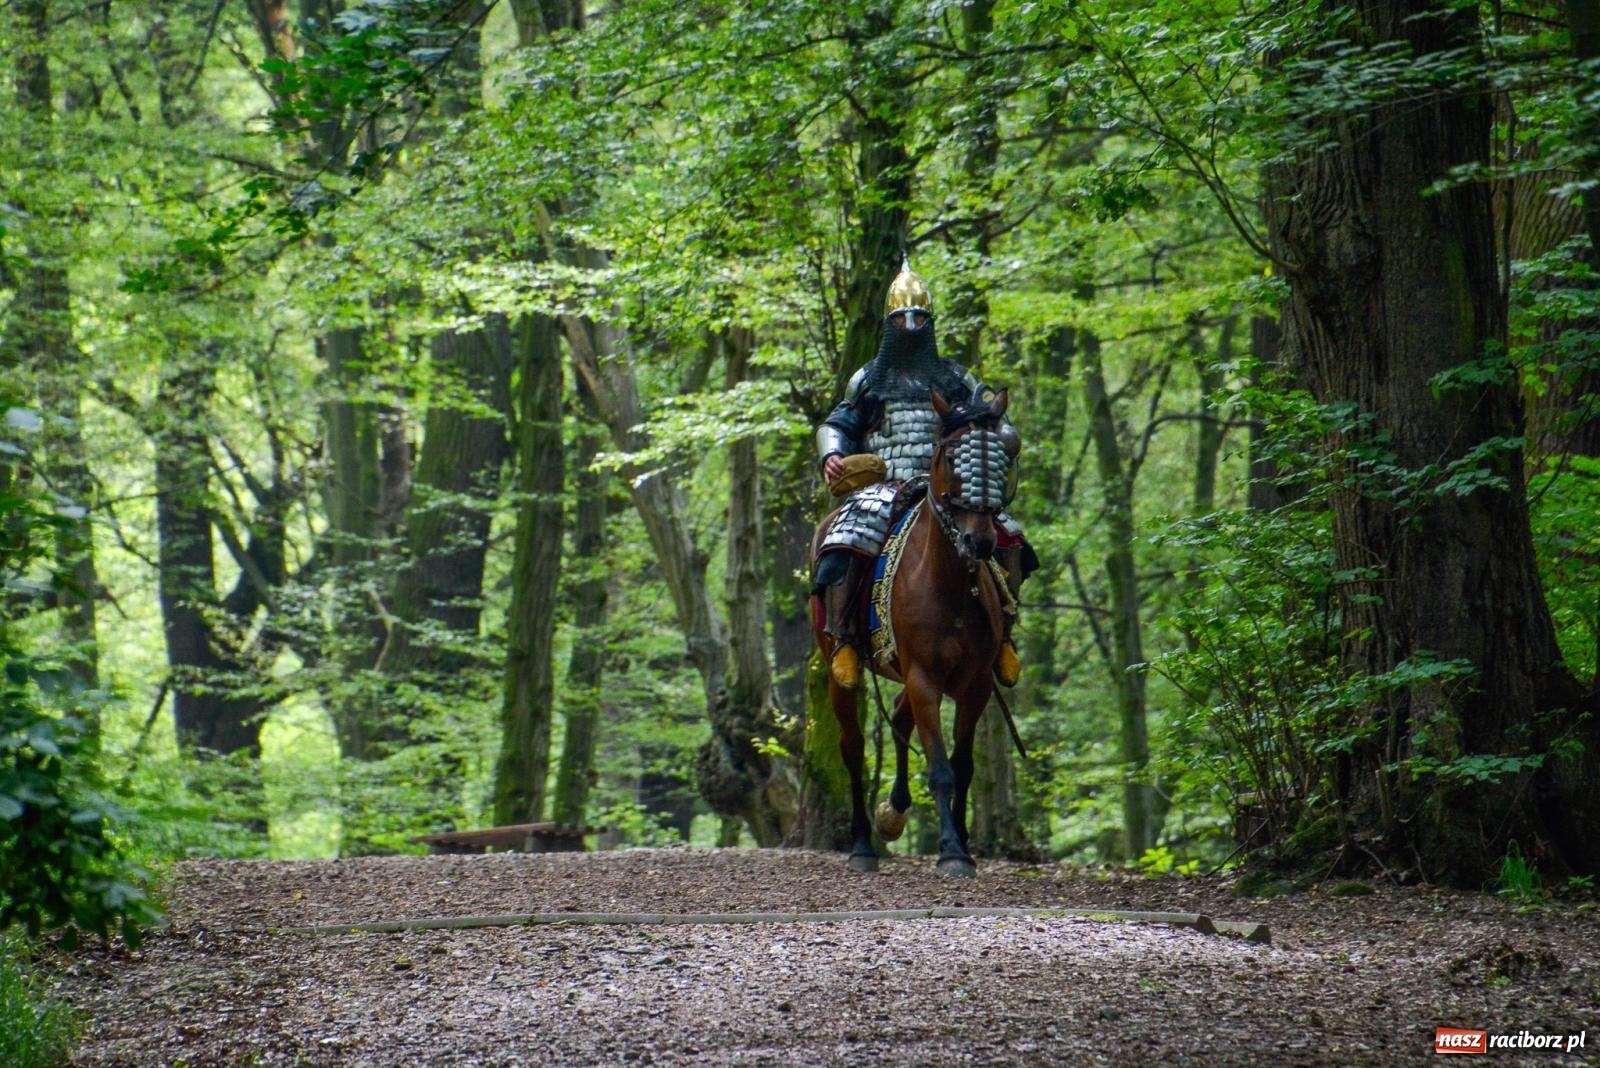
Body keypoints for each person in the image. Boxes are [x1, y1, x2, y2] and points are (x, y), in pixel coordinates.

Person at [811, 258, 1033, 689]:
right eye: (901, 317)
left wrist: (1006, 434)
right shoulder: (869, 379)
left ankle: (1004, 635)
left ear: (930, 323)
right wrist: (832, 455)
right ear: (889, 322)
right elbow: (837, 425)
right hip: (884, 486)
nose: (910, 325)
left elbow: (992, 414)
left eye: (918, 317)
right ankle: (845, 640)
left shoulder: (954, 377)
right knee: (843, 542)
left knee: (1010, 537)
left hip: (950, 484)